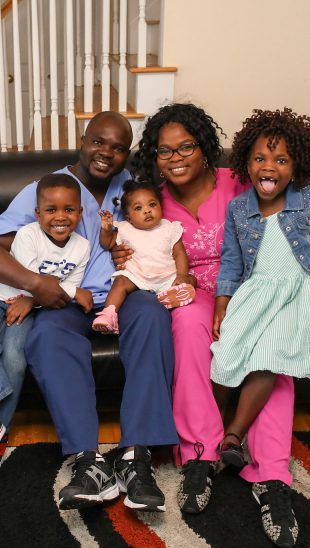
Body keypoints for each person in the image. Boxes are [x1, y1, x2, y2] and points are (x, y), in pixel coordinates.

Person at [0, 111, 178, 513]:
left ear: (128, 154)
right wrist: (37, 286)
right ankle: (89, 462)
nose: (107, 153)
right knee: (47, 337)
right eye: (98, 142)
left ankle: (136, 457)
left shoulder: (133, 187)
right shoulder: (47, 189)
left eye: (119, 148)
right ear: (82, 141)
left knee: (155, 318)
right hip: (68, 299)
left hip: (126, 290)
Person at [212, 107, 310, 547]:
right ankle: (215, 430)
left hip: (302, 288)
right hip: (258, 288)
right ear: (245, 164)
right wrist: (222, 303)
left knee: (270, 355)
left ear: (297, 167)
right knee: (227, 351)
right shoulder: (239, 208)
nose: (268, 167)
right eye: (259, 158)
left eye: (280, 160)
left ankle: (234, 437)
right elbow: (233, 260)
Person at [128, 103, 246, 518]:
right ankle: (200, 452)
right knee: (187, 320)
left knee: (236, 326)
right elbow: (129, 246)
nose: (176, 158)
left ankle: (238, 438)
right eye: (165, 151)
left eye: (186, 147)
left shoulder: (238, 184)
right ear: (154, 157)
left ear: (205, 148)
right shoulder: (151, 204)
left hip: (243, 285)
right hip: (187, 287)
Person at [0, 174, 92, 478]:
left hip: (31, 305)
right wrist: (69, 294)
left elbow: (64, 286)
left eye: (69, 210)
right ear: (37, 214)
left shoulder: (82, 247)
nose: (60, 217)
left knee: (15, 356)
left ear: (80, 213)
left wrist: (44, 299)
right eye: (51, 210)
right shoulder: (26, 235)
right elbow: (29, 279)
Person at [92, 179, 195, 334]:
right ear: (129, 217)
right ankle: (109, 314)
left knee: (191, 280)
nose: (147, 210)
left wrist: (181, 275)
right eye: (138, 208)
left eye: (152, 205)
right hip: (137, 276)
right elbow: (107, 244)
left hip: (167, 277)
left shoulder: (169, 227)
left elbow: (179, 253)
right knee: (120, 282)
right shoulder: (125, 228)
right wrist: (106, 229)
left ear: (161, 206)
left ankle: (171, 296)